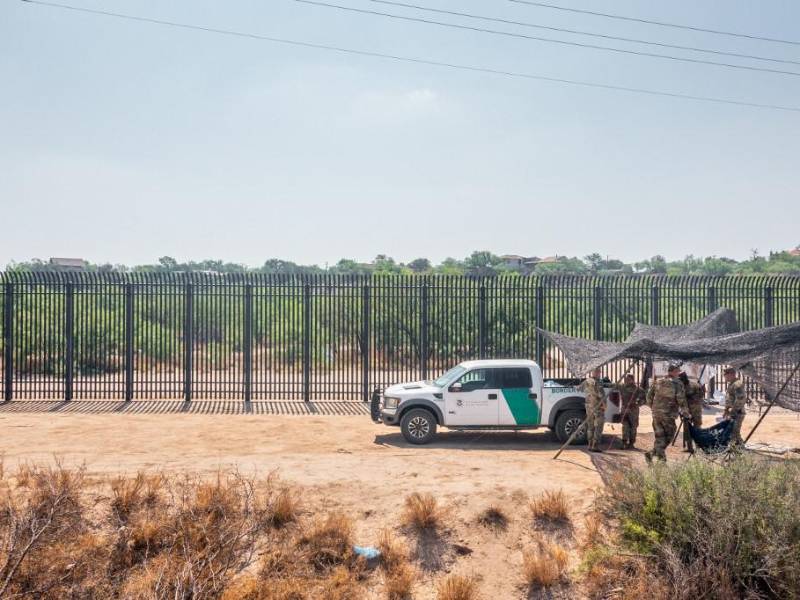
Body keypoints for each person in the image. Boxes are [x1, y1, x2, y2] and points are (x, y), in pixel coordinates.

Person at [645, 364, 689, 463]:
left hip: (656, 414)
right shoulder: (677, 383)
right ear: (673, 371)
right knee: (670, 434)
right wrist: (686, 412)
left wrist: (654, 407)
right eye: (677, 371)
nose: (678, 373)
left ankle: (651, 454)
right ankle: (661, 461)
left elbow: (648, 397)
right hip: (668, 414)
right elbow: (681, 400)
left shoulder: (658, 381)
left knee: (660, 436)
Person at [614, 374, 645, 449]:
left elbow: (643, 400)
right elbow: (613, 385)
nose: (626, 381)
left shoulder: (638, 389)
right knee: (625, 426)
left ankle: (631, 443)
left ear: (632, 380)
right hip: (624, 410)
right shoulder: (622, 387)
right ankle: (624, 442)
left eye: (628, 379)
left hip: (634, 411)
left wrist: (636, 403)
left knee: (633, 427)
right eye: (625, 379)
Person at [579, 367, 606, 453]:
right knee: (598, 426)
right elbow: (601, 396)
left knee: (590, 427)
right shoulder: (597, 383)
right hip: (597, 408)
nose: (599, 373)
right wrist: (604, 406)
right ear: (596, 373)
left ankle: (590, 444)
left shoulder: (586, 381)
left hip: (589, 407)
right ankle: (595, 445)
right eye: (598, 372)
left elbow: (579, 388)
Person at [679, 372, 703, 453]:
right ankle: (691, 447)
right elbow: (702, 395)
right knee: (687, 428)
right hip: (689, 410)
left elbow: (700, 395)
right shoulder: (693, 384)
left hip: (694, 410)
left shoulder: (692, 385)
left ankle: (697, 446)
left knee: (696, 428)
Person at [723, 367, 748, 446]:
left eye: (726, 374)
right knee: (733, 432)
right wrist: (726, 410)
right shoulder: (732, 384)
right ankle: (738, 449)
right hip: (733, 413)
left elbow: (740, 399)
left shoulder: (737, 384)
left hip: (737, 413)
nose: (724, 376)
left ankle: (740, 450)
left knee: (734, 433)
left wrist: (732, 411)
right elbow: (729, 399)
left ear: (732, 374)